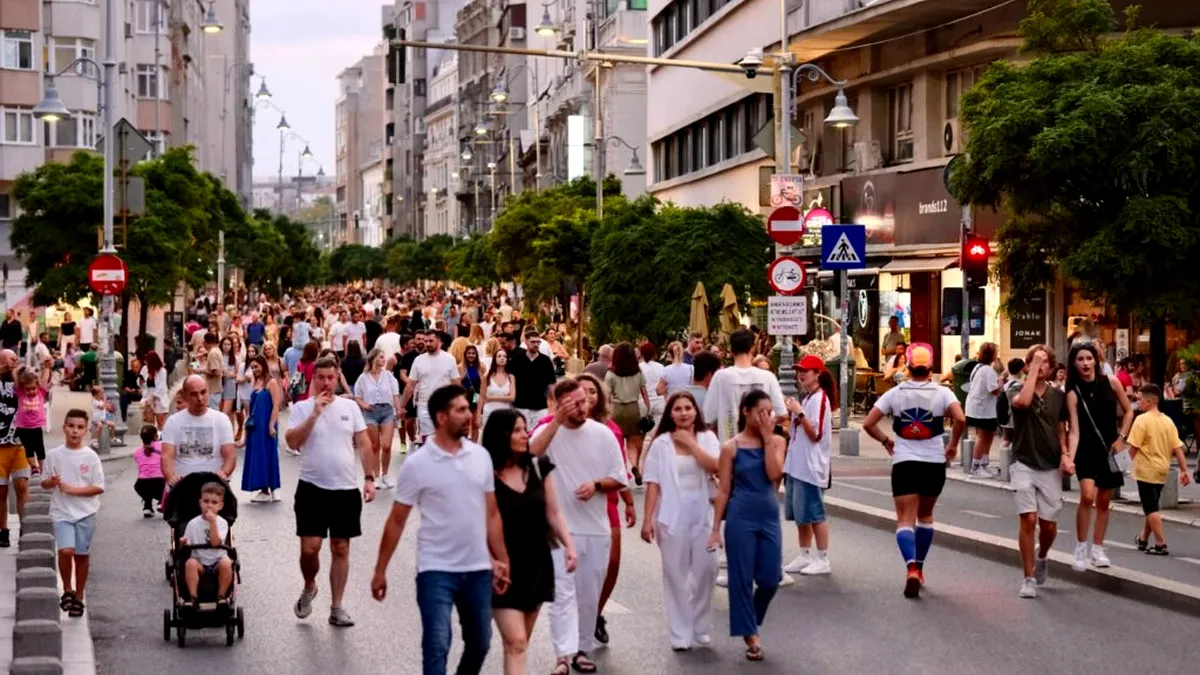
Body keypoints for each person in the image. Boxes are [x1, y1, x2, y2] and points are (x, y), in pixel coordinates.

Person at [371, 385, 510, 675]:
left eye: (468, 408)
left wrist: (502, 559)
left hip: (477, 568)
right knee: (437, 643)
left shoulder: (480, 457)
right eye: (460, 410)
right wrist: (380, 570)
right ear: (441, 417)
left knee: (480, 642)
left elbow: (492, 513)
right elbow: (396, 520)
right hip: (436, 569)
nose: (469, 415)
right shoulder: (418, 464)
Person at [530, 379, 629, 675]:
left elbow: (620, 477)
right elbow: (530, 454)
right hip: (558, 529)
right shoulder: (548, 431)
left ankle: (581, 649)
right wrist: (556, 421)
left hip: (595, 526)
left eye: (585, 400)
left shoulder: (603, 434)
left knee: (588, 593)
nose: (582, 405)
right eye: (574, 402)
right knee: (562, 592)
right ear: (559, 404)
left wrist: (597, 485)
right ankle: (562, 654)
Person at [861, 342, 965, 599]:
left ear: (907, 366)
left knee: (905, 519)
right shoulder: (943, 393)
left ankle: (910, 568)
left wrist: (886, 441)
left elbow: (868, 423)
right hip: (933, 461)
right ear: (930, 367)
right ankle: (920, 566)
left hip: (904, 460)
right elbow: (961, 418)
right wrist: (952, 446)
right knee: (926, 516)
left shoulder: (896, 393)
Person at [483, 408, 576, 675]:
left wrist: (569, 546)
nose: (525, 435)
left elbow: (554, 512)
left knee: (519, 642)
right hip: (503, 566)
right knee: (517, 641)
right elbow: (477, 522)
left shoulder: (538, 467)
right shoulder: (485, 473)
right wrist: (490, 560)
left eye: (525, 429)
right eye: (517, 430)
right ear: (501, 435)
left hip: (537, 563)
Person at [286, 357, 376, 628]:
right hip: (311, 487)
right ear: (313, 379)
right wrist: (315, 413)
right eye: (321, 377)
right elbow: (292, 442)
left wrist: (369, 478)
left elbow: (363, 442)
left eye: (331, 377)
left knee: (340, 547)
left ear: (337, 378)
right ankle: (309, 584)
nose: (326, 382)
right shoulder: (302, 408)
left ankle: (337, 606)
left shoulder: (350, 407)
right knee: (310, 548)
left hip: (345, 489)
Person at [707, 390, 784, 661]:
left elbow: (775, 476)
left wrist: (766, 439)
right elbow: (724, 489)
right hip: (741, 514)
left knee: (771, 578)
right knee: (741, 577)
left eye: (770, 412)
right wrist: (716, 528)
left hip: (768, 513)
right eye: (761, 412)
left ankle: (748, 616)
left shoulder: (776, 441)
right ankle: (750, 636)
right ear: (746, 412)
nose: (767, 417)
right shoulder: (731, 447)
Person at [641, 391, 719, 651]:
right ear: (670, 414)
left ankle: (699, 625)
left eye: (688, 408)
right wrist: (647, 520)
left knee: (707, 571)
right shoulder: (661, 443)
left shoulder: (707, 438)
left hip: (703, 516)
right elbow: (652, 482)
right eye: (678, 409)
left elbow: (716, 467)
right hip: (671, 517)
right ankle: (680, 632)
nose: (684, 413)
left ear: (696, 411)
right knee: (675, 575)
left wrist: (692, 445)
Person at [1064, 341, 1133, 570]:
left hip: (1110, 448)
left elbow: (1129, 411)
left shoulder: (1111, 382)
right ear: (1074, 363)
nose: (1085, 363)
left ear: (1096, 360)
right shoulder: (1073, 393)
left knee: (1104, 501)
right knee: (1086, 496)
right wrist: (1069, 458)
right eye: (1080, 359)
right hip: (1085, 449)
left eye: (1089, 358)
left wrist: (1122, 438)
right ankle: (1081, 547)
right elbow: (1074, 431)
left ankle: (1098, 548)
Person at [1009, 345, 1070, 599]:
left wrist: (1065, 454)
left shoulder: (1058, 395)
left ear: (1053, 367)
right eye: (1036, 362)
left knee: (1048, 527)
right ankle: (1028, 577)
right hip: (1023, 461)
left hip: (1050, 464)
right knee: (1028, 520)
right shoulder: (1016, 389)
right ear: (1027, 365)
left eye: (1045, 362)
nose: (1041, 366)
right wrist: (1032, 367)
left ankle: (1042, 555)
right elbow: (1022, 403)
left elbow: (1061, 428)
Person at [41, 408, 104, 618]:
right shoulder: (54, 455)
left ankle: (79, 596)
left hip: (86, 513)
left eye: (79, 427)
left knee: (81, 555)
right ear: (64, 428)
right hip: (61, 512)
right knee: (65, 551)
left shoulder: (91, 456)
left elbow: (98, 487)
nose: (74, 431)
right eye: (71, 426)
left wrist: (72, 490)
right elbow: (44, 483)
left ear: (85, 431)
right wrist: (53, 482)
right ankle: (67, 588)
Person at [782, 355, 837, 576]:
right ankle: (804, 554)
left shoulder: (820, 399)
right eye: (799, 371)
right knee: (800, 515)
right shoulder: (806, 398)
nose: (800, 374)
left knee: (815, 513)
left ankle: (822, 558)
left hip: (811, 467)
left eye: (805, 370)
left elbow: (816, 434)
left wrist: (799, 413)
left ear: (817, 374)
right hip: (796, 465)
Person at [1128, 384, 1192, 555]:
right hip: (1162, 470)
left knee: (1150, 508)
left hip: (1146, 470)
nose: (1137, 403)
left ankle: (1160, 543)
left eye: (1139, 399)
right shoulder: (1168, 421)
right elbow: (1178, 448)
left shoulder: (1141, 420)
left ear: (1149, 401)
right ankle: (1143, 538)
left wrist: (1122, 467)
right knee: (1152, 505)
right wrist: (1184, 470)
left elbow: (1133, 448)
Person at [161, 375, 238, 486]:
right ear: (185, 395)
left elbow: (230, 455)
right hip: (183, 484)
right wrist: (171, 476)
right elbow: (167, 456)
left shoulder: (221, 420)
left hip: (212, 484)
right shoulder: (173, 422)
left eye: (203, 392)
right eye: (194, 394)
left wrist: (224, 472)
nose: (200, 399)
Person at [399, 330, 461, 444]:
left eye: (431, 341)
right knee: (428, 439)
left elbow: (456, 384)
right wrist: (402, 407)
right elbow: (410, 385)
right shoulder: (419, 360)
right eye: (425, 341)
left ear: (439, 342)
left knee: (444, 437)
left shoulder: (449, 359)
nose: (427, 343)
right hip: (424, 405)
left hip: (445, 405)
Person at [180, 482, 235, 607]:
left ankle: (221, 596)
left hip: (217, 559)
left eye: (214, 503)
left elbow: (216, 543)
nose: (209, 505)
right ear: (200, 502)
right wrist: (183, 542)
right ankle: (192, 597)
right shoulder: (193, 524)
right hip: (199, 560)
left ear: (220, 506)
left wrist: (212, 523)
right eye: (206, 501)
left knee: (226, 563)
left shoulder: (222, 523)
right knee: (190, 563)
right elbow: (185, 547)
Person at [354, 348, 402, 488]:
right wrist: (364, 405)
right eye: (381, 357)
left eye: (384, 357)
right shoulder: (363, 378)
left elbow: (395, 394)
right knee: (375, 446)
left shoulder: (388, 376)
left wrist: (398, 409)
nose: (384, 360)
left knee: (386, 445)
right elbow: (357, 396)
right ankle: (376, 476)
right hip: (371, 412)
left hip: (387, 410)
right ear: (373, 358)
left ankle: (385, 474)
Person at [605, 342, 651, 484]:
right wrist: (648, 408)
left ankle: (621, 470)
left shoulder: (611, 373)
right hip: (633, 409)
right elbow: (644, 391)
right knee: (634, 441)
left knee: (617, 441)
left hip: (616, 409)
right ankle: (635, 466)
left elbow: (607, 393)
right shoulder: (638, 372)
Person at [242, 356, 282, 503]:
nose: (254, 370)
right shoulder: (256, 383)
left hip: (267, 425)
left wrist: (271, 425)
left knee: (270, 454)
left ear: (263, 366)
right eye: (252, 368)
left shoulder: (271, 382)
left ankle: (274, 488)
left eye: (256, 367)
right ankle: (264, 489)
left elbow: (276, 405)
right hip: (255, 427)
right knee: (259, 457)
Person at [965, 342, 1003, 478]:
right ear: (991, 354)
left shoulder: (978, 367)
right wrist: (1001, 381)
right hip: (982, 409)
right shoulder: (987, 370)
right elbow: (994, 390)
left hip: (979, 407)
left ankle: (984, 463)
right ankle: (975, 466)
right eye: (996, 352)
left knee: (988, 435)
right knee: (983, 436)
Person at [510, 331, 557, 429]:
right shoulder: (517, 359)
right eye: (533, 342)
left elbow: (551, 384)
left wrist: (555, 403)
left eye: (538, 342)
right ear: (526, 342)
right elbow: (510, 381)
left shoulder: (545, 360)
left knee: (538, 433)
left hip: (540, 406)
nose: (536, 344)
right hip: (520, 405)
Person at [15, 362, 51, 475]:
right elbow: (16, 380)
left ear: (37, 387)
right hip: (23, 427)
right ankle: (33, 467)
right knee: (28, 449)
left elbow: (44, 380)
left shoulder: (40, 392)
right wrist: (15, 370)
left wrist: (47, 367)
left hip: (36, 426)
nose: (31, 391)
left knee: (40, 448)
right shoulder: (20, 393)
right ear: (23, 389)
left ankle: (42, 468)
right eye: (28, 389)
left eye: (33, 388)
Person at [479, 349, 515, 432]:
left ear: (507, 359)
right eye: (499, 356)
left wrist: (490, 398)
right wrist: (478, 415)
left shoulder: (511, 377)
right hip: (489, 411)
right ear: (494, 359)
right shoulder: (487, 376)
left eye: (504, 356)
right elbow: (482, 397)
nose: (502, 358)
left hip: (505, 411)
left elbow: (512, 398)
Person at [133, 424, 165, 517]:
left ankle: (147, 507)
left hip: (141, 484)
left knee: (147, 487)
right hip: (160, 483)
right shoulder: (162, 446)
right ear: (156, 436)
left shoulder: (137, 452)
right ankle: (162, 502)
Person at [140, 350, 169, 429]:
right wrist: (140, 383)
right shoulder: (144, 369)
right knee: (149, 423)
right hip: (148, 396)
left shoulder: (162, 371)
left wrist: (153, 398)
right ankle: (151, 439)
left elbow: (161, 387)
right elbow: (141, 381)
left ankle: (162, 439)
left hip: (159, 398)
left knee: (161, 422)